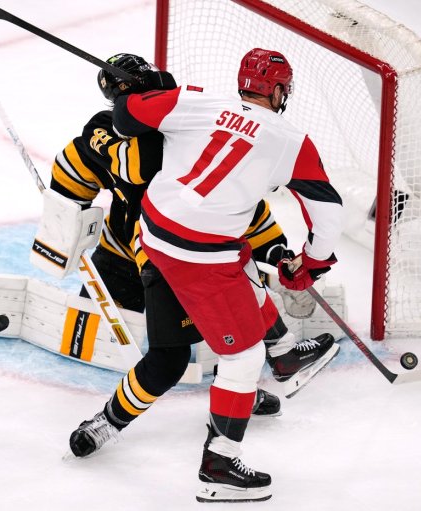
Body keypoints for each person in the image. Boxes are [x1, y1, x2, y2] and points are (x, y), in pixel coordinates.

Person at [99, 48, 345, 503]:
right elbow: (328, 213)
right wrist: (312, 262)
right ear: (278, 90)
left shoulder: (194, 99)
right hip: (200, 258)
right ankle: (219, 464)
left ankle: (285, 357)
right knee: (243, 357)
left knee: (244, 260)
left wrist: (139, 93)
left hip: (153, 236)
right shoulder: (293, 142)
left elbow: (125, 118)